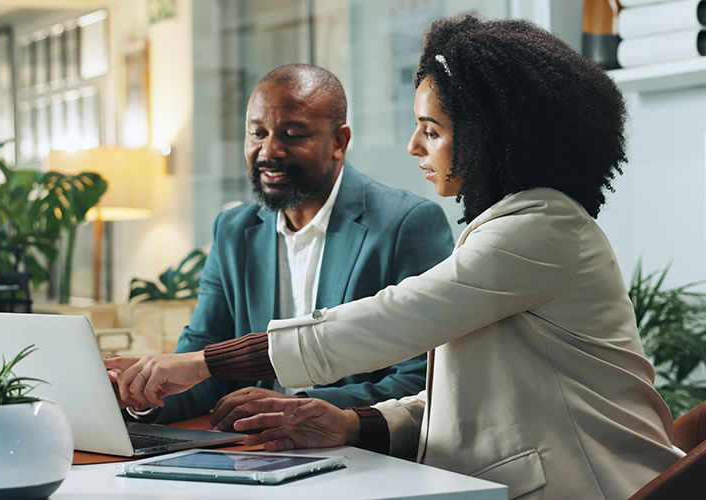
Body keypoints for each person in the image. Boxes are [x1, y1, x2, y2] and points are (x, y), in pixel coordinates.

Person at [106, 15, 684, 499]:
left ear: (489, 136)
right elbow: (461, 401)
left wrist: (204, 363)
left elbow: (386, 321)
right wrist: (352, 423)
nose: (413, 147)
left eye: (431, 131)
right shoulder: (509, 226)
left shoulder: (543, 229)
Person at [115, 63, 454, 424]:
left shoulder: (407, 224)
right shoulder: (233, 230)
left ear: (339, 142)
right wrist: (142, 395)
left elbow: (424, 378)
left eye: (292, 135)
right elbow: (200, 365)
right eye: (257, 133)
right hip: (251, 453)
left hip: (359, 453)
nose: (269, 150)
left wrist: (297, 406)